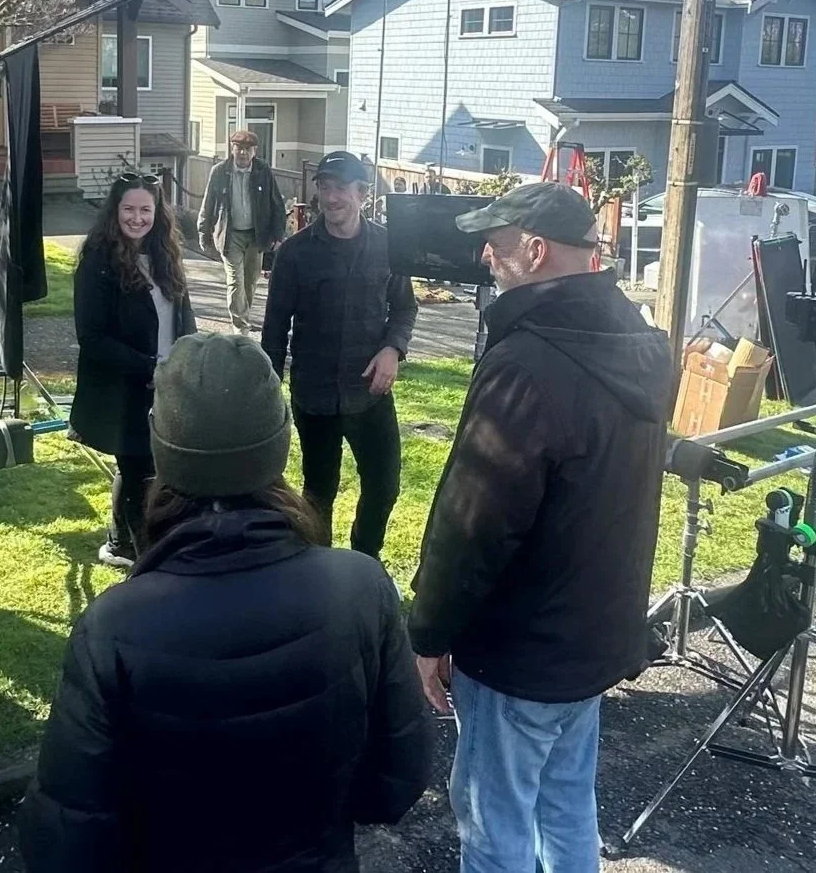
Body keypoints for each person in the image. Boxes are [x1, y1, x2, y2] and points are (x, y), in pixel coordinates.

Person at [20, 333, 432, 873]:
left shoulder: (113, 627)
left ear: (162, 449)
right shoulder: (360, 586)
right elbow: (396, 783)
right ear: (279, 443)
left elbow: (64, 842)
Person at [407, 182, 673, 873]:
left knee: (493, 820)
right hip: (591, 636)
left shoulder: (527, 365)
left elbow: (473, 522)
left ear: (532, 249)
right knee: (564, 802)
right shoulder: (636, 342)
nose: (484, 257)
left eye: (494, 245)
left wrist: (428, 634)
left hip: (521, 650)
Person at [262, 150, 417, 560]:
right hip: (315, 396)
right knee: (318, 493)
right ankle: (321, 571)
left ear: (363, 193)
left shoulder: (389, 245)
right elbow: (275, 327)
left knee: (384, 486)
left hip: (370, 391)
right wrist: (266, 390)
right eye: (324, 188)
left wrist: (392, 348)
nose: (331, 197)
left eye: (341, 188)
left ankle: (366, 562)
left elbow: (404, 308)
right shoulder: (295, 252)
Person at [70, 173, 196, 569]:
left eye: (146, 209)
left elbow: (183, 316)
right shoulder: (97, 260)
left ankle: (119, 542)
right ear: (115, 211)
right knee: (139, 466)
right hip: (123, 388)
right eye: (129, 209)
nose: (137, 218)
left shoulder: (165, 256)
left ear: (158, 213)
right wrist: (149, 366)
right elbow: (92, 337)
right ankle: (147, 562)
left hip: (167, 384)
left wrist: (188, 358)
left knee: (152, 466)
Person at [198, 129, 286, 334]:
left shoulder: (263, 171)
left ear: (254, 151)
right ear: (232, 148)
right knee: (235, 282)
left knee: (249, 283)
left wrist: (278, 235)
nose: (243, 153)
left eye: (248, 149)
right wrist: (204, 233)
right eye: (239, 148)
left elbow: (277, 205)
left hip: (256, 236)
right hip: (231, 236)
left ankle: (242, 317)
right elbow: (208, 204)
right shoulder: (220, 172)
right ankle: (241, 328)